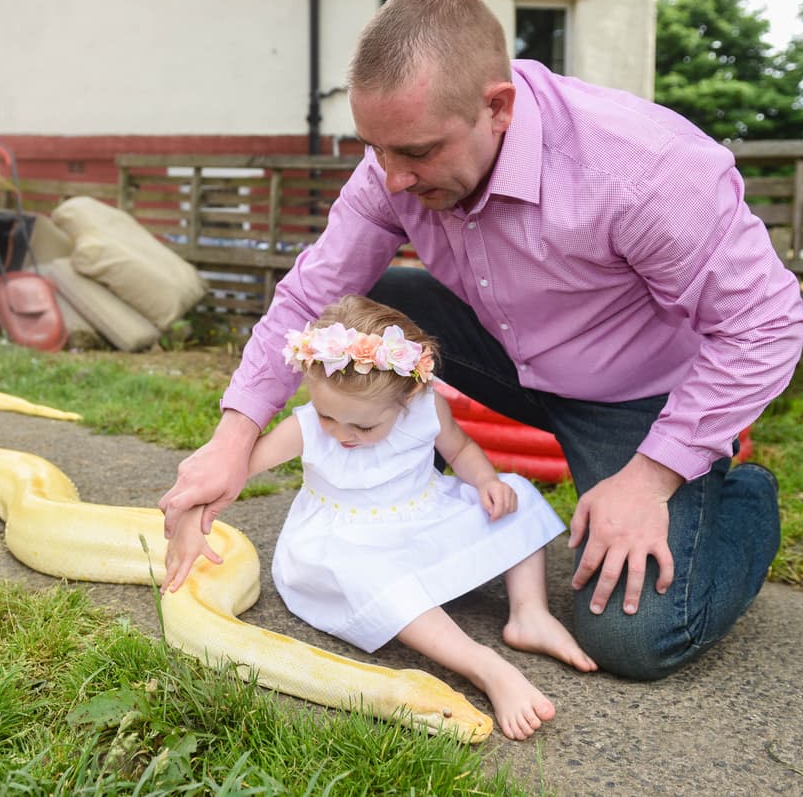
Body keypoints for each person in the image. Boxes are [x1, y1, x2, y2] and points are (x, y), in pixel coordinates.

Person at [160, 0, 803, 681]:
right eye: (375, 149)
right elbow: (312, 293)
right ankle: (412, 491)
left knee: (637, 635)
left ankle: (741, 499)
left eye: (415, 152)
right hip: (512, 350)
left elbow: (767, 323)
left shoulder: (641, 169)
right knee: (355, 303)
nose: (393, 178)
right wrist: (233, 437)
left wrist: (650, 479)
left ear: (497, 107)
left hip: (634, 393)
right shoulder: (397, 164)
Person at [163, 295, 596, 740]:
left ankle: (529, 613)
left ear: (411, 392)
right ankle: (482, 665)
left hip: (420, 514)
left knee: (516, 495)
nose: (342, 433)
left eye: (364, 427)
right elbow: (232, 468)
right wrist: (192, 519)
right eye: (329, 415)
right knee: (376, 580)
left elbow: (461, 450)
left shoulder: (428, 408)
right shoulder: (309, 427)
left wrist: (486, 481)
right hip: (345, 543)